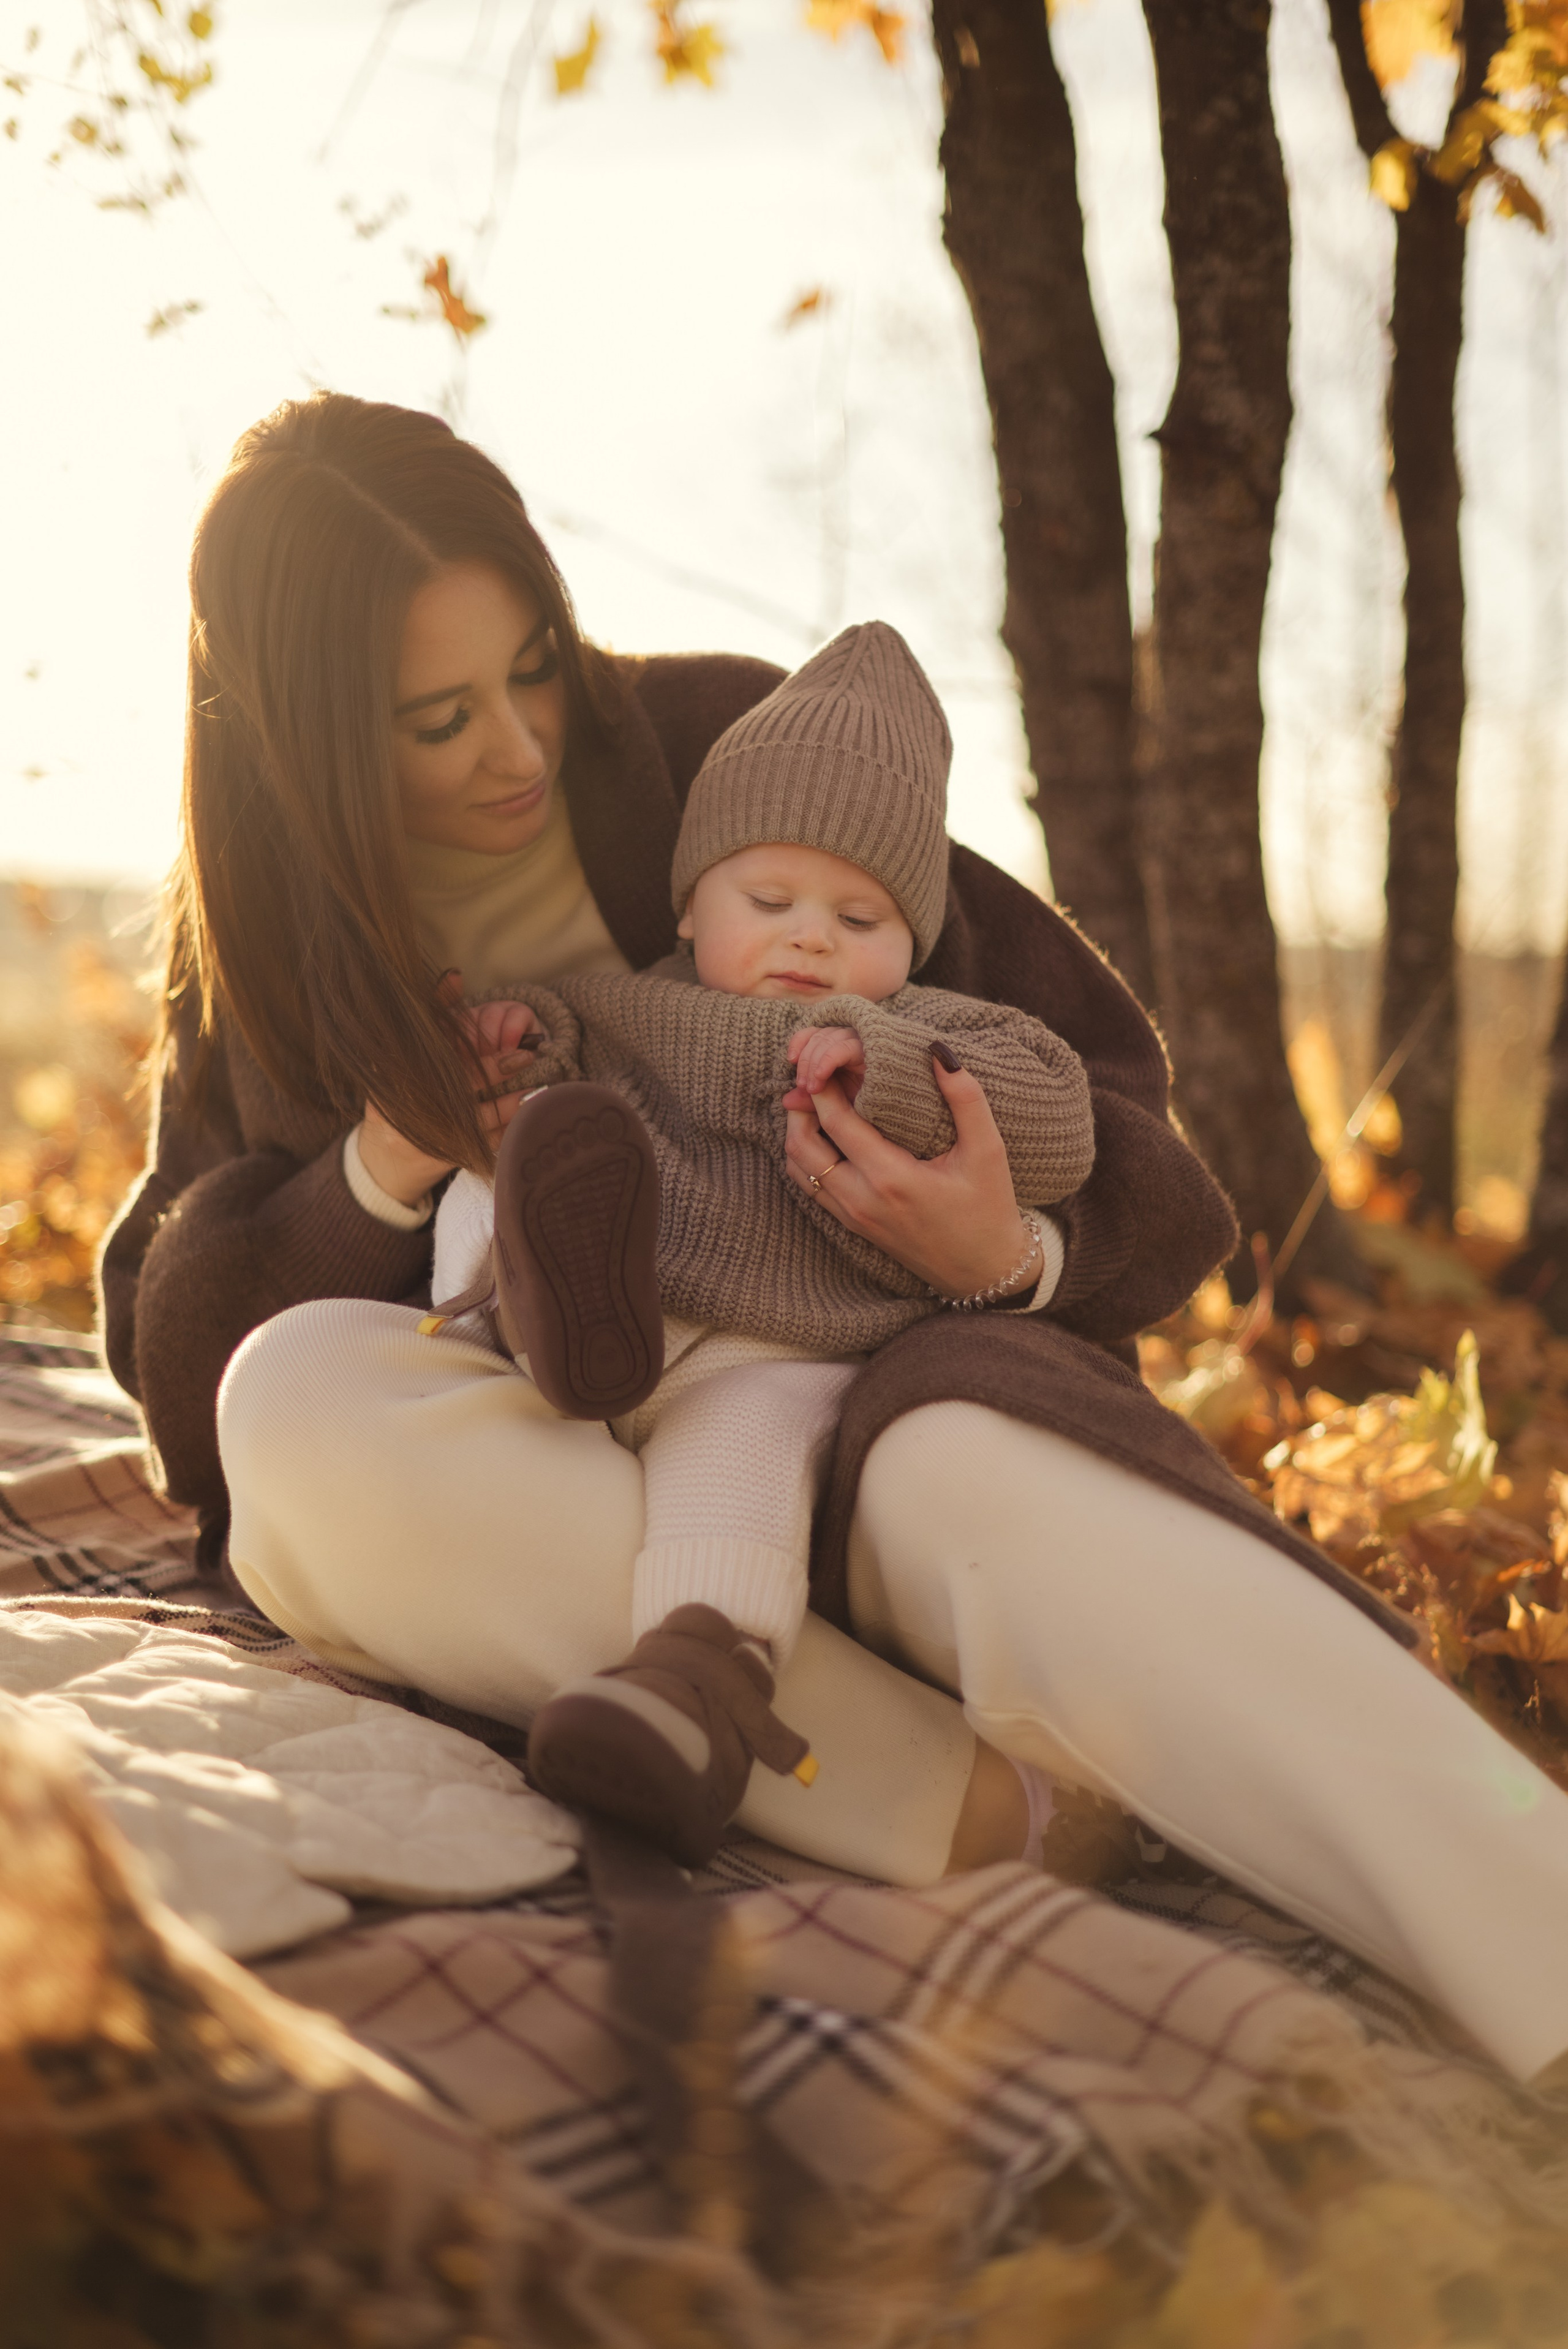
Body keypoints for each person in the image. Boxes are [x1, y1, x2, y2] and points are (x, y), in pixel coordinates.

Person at [100, 390, 1568, 2085]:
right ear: (309, 739)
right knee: (295, 1411)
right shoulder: (270, 959)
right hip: (567, 1477)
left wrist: (1000, 1251)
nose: (515, 746)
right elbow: (174, 1349)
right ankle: (990, 1811)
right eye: (438, 717)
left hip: (871, 1420)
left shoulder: (739, 746)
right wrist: (387, 1159)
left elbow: (1114, 1109)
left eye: (534, 667)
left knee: (985, 1475)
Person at [417, 620, 1095, 1863]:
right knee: (511, 1148)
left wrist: (888, 1065)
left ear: (915, 942)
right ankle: (534, 1301)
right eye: (768, 900)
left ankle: (692, 1683)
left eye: (860, 915)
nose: (811, 940)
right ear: (690, 903)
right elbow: (551, 1039)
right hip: (613, 1295)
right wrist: (519, 1042)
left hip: (774, 1351)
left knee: (743, 1458)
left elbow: (1057, 1115)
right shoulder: (636, 1004)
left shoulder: (928, 1023)